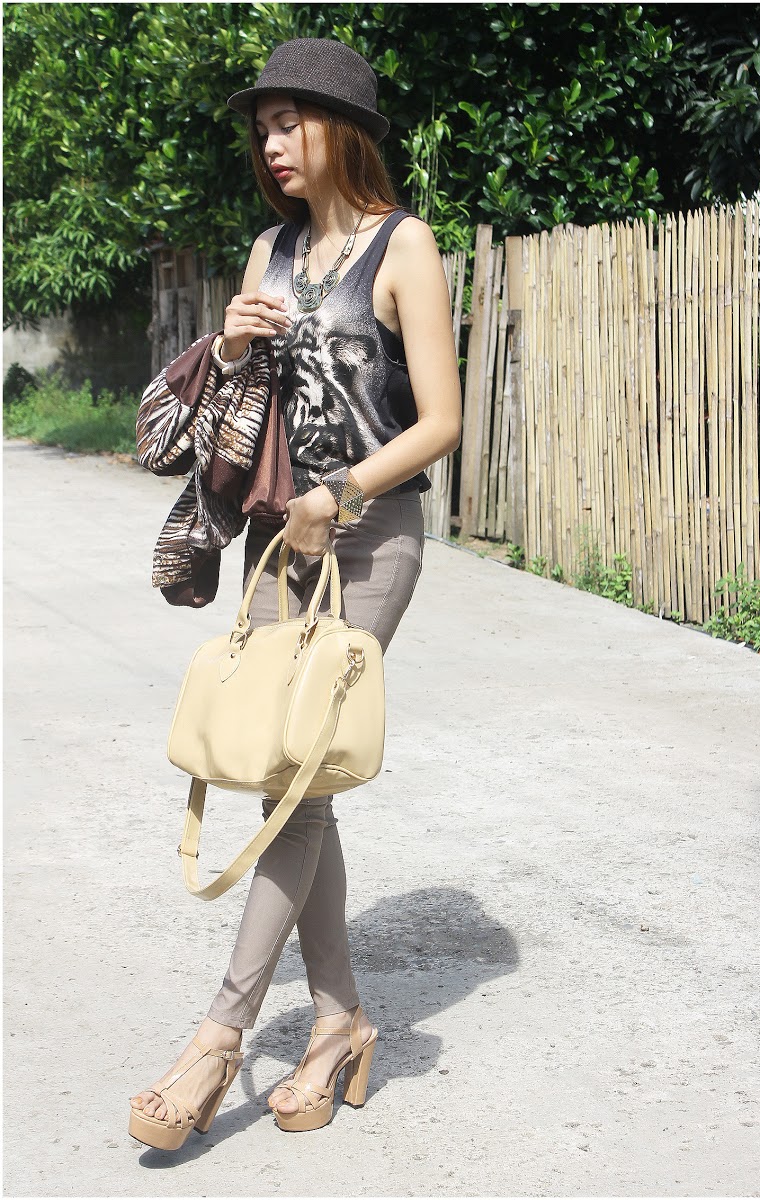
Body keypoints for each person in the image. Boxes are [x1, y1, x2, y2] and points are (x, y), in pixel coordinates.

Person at [129, 37, 461, 1148]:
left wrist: (342, 493)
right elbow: (247, 405)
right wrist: (228, 348)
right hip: (278, 545)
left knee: (298, 783)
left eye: (289, 123)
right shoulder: (268, 251)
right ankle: (339, 1023)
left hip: (369, 543)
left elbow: (442, 421)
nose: (271, 144)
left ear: (342, 129)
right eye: (262, 128)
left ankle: (219, 1035)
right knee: (290, 777)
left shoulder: (405, 245)